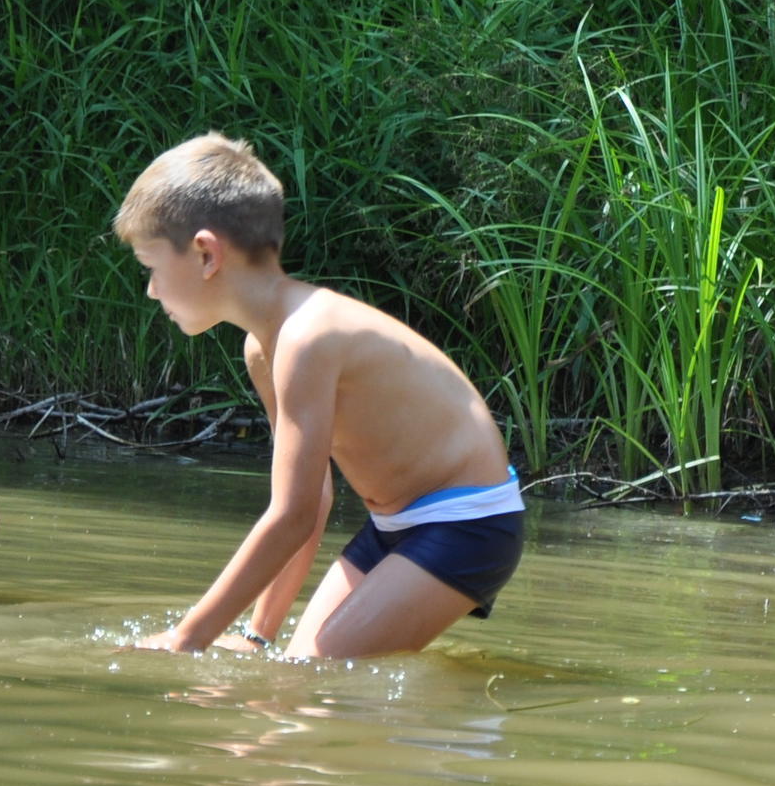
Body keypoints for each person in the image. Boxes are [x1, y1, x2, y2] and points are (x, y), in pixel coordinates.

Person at [119, 133, 523, 659]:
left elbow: (292, 515)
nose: (150, 290)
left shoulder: (307, 336)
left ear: (205, 254)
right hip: (395, 526)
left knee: (317, 677)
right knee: (294, 672)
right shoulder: (264, 348)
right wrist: (257, 636)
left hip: (467, 521)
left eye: (151, 268)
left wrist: (187, 637)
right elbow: (312, 502)